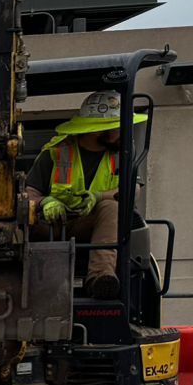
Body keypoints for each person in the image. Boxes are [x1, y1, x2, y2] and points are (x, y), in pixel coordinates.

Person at [24, 88, 144, 299]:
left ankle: (100, 278)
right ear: (99, 130)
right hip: (53, 226)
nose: (125, 132)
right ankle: (40, 283)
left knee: (112, 207)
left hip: (93, 227)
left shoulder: (122, 154)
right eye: (118, 127)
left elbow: (132, 191)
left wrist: (98, 198)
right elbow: (29, 193)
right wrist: (46, 203)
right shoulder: (56, 152)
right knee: (25, 220)